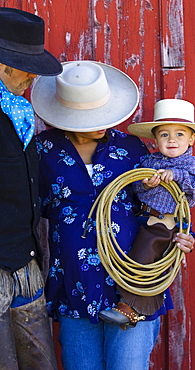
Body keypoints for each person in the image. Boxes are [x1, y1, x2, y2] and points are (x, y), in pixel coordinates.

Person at [31, 60, 195, 370]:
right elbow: (25, 204)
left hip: (134, 285)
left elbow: (166, 201)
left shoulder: (132, 148)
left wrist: (181, 236)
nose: (102, 122)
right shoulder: (42, 150)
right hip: (74, 284)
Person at [99, 98, 195, 325]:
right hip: (142, 218)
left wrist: (177, 177)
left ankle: (129, 307)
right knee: (129, 251)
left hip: (164, 222)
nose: (172, 140)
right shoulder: (149, 161)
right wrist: (145, 184)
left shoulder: (192, 165)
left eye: (180, 134)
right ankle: (124, 300)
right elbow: (135, 188)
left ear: (192, 138)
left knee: (143, 256)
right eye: (164, 135)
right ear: (155, 139)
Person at [0, 7, 62, 370]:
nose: (31, 77)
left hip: (26, 265)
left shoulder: (19, 114)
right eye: (25, 66)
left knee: (39, 361)